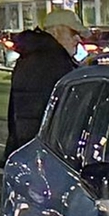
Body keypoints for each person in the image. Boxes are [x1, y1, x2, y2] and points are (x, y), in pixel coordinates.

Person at [5, 9, 85, 158]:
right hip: (44, 156)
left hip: (31, 152)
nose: (78, 40)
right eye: (73, 33)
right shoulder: (51, 62)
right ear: (55, 32)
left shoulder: (37, 56)